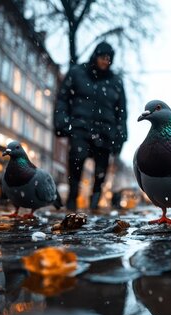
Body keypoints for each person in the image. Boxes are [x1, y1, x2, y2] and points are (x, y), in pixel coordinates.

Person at [54, 41, 127, 211]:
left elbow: (122, 112)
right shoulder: (76, 73)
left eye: (108, 59)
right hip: (80, 127)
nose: (105, 62)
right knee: (76, 162)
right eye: (102, 57)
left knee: (101, 170)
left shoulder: (116, 82)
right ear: (95, 56)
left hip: (105, 131)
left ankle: (94, 205)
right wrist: (62, 121)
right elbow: (62, 100)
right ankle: (72, 200)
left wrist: (121, 134)